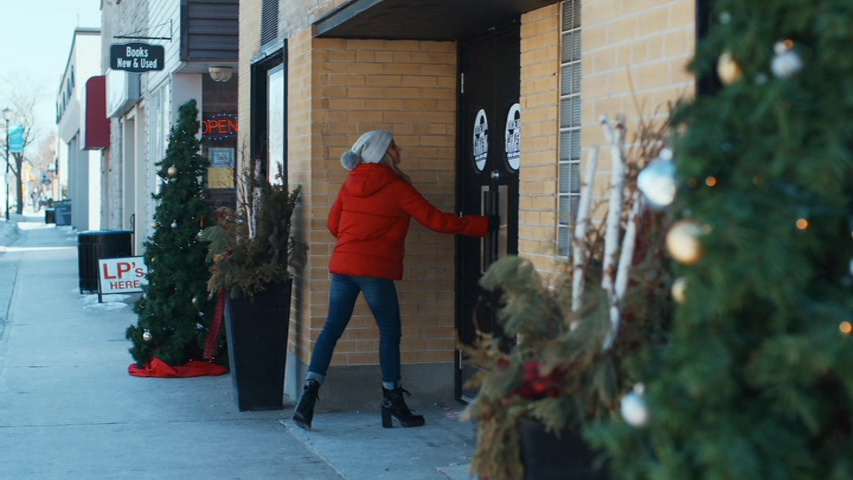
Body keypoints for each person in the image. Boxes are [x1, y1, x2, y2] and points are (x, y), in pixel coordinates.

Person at [293, 130, 491, 430]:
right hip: (374, 270)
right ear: (383, 152)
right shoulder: (397, 186)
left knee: (332, 328)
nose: (400, 150)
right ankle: (392, 399)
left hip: (344, 267)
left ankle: (309, 394)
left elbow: (334, 225)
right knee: (389, 332)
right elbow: (436, 220)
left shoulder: (351, 182)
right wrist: (483, 225)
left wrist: (356, 241)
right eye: (394, 147)